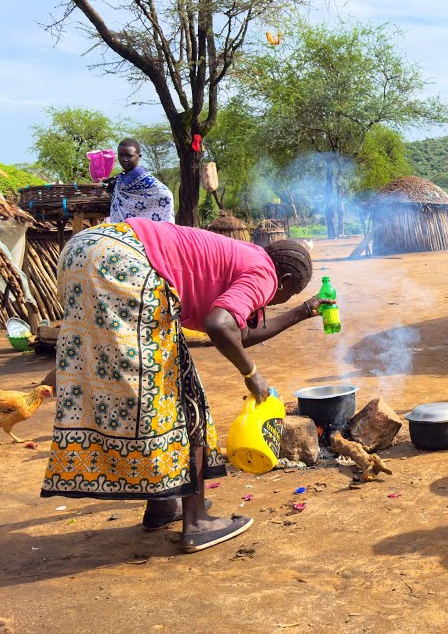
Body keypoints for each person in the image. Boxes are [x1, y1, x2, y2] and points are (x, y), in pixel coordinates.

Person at [40, 219, 332, 553]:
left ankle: (162, 504)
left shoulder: (246, 258)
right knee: (184, 397)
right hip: (125, 262)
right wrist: (253, 375)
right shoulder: (264, 273)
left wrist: (303, 310)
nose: (276, 301)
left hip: (84, 252)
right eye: (288, 294)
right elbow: (219, 325)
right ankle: (196, 522)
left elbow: (239, 334)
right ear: (286, 280)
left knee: (149, 395)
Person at [106, 137, 175, 223]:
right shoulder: (121, 177)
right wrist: (104, 185)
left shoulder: (143, 177)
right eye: (121, 155)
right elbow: (110, 188)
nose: (124, 159)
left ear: (139, 156)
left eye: (129, 155)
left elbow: (166, 194)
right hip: (121, 227)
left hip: (138, 227)